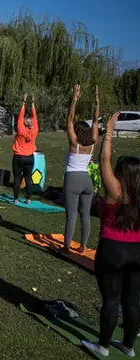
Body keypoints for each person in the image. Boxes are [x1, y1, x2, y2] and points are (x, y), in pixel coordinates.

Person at [80, 112, 140, 358]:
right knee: (133, 301)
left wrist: (109, 132)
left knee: (112, 300)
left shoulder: (114, 192)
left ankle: (103, 346)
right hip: (137, 252)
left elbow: (104, 159)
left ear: (121, 175)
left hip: (112, 251)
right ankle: (128, 346)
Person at [62, 84, 100, 254]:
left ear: (77, 131)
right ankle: (83, 247)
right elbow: (95, 121)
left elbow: (70, 118)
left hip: (73, 179)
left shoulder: (74, 144)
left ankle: (67, 247)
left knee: (71, 215)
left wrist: (74, 99)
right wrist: (97, 103)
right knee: (85, 215)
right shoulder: (92, 144)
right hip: (87, 181)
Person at [12, 93, 39, 204]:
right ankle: (28, 199)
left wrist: (23, 102)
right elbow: (35, 116)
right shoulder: (35, 130)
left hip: (18, 157)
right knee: (28, 179)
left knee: (17, 178)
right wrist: (32, 103)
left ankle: (16, 199)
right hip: (29, 157)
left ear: (23, 123)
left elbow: (20, 115)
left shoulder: (20, 130)